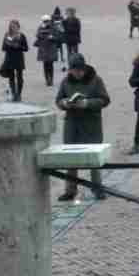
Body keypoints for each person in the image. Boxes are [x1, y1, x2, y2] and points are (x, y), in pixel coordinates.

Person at [55, 53, 111, 201]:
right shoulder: (65, 82)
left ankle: (97, 188)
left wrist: (87, 103)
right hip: (72, 125)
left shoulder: (96, 80)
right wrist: (65, 103)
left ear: (84, 68)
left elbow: (105, 100)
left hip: (91, 124)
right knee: (71, 158)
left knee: (93, 158)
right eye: (74, 70)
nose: (77, 73)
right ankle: (70, 190)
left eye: (79, 70)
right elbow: (58, 100)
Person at [1, 19, 28, 102]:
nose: (14, 28)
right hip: (9, 59)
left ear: (18, 27)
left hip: (19, 59)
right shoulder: (7, 35)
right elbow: (3, 48)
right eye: (12, 27)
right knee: (11, 77)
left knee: (20, 77)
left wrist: (18, 46)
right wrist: (9, 45)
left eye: (15, 26)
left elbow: (26, 48)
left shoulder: (22, 36)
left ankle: (19, 94)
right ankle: (13, 94)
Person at [34, 15, 58, 87]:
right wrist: (43, 35)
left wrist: (52, 37)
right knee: (45, 65)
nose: (46, 22)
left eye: (47, 21)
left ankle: (51, 79)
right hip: (43, 48)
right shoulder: (40, 27)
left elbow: (58, 37)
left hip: (51, 48)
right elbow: (37, 35)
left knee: (50, 65)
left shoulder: (53, 27)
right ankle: (47, 79)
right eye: (45, 21)